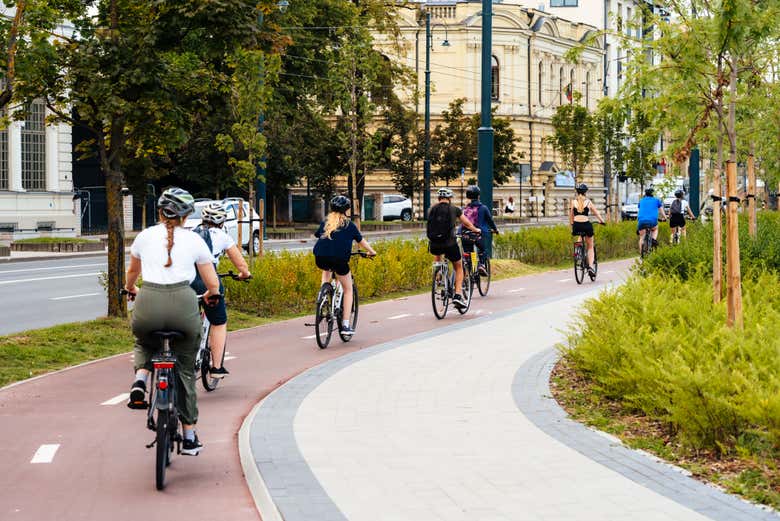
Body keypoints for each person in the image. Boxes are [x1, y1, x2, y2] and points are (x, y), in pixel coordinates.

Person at [125, 187, 220, 456]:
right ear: (186, 216)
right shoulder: (195, 241)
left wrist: (130, 288)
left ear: (159, 212)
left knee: (144, 340)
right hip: (184, 302)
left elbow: (132, 272)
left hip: (149, 300)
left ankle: (141, 379)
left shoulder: (143, 237)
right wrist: (211, 295)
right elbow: (212, 283)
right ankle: (189, 437)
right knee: (185, 372)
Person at [190, 201, 251, 378]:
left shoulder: (191, 235)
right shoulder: (223, 236)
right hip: (209, 281)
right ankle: (216, 368)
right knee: (218, 322)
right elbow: (240, 262)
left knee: (187, 320)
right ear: (222, 221)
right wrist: (244, 274)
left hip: (187, 282)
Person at [313, 195, 377, 337]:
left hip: (320, 257)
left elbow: (318, 236)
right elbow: (361, 241)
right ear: (346, 210)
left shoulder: (326, 222)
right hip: (339, 260)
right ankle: (346, 325)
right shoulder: (349, 225)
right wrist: (371, 252)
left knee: (327, 268)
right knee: (348, 290)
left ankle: (323, 296)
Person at [427, 187, 482, 310]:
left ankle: (438, 275)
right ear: (450, 198)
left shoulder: (431, 210)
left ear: (438, 198)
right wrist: (476, 230)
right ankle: (457, 295)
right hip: (450, 244)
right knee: (459, 267)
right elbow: (467, 223)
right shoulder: (455, 209)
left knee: (438, 256)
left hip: (434, 244)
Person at [461, 185, 499, 276]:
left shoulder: (464, 209)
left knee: (469, 253)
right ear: (478, 196)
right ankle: (481, 265)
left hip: (465, 235)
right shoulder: (483, 208)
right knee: (482, 250)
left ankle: (471, 271)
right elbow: (490, 221)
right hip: (478, 234)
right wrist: (495, 230)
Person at [569, 184, 605, 276]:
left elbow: (571, 215)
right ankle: (590, 267)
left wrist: (572, 225)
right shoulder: (588, 202)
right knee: (590, 246)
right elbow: (597, 213)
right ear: (585, 192)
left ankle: (577, 252)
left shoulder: (573, 202)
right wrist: (602, 221)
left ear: (577, 192)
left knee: (580, 237)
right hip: (586, 225)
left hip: (576, 226)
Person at [637, 187, 667, 254]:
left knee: (641, 237)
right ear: (653, 194)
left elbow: (640, 211)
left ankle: (641, 254)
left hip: (641, 221)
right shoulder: (656, 200)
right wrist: (665, 218)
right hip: (652, 221)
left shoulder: (641, 200)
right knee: (655, 229)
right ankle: (653, 239)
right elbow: (661, 211)